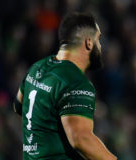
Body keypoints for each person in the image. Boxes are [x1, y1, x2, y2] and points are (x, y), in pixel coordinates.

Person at [13, 12, 117, 160]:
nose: (100, 46)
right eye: (98, 40)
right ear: (88, 42)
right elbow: (81, 139)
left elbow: (18, 106)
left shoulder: (37, 68)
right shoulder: (75, 82)